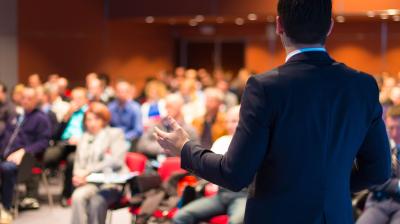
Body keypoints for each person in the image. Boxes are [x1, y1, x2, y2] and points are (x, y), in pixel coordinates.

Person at [154, 0, 392, 223]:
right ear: (329, 26)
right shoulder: (362, 85)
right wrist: (331, 184)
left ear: (279, 25)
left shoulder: (265, 88)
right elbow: (379, 172)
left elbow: (234, 174)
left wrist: (185, 148)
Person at [173, 106, 246, 224]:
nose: (229, 126)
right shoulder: (222, 141)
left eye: (234, 121)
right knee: (181, 216)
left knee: (235, 222)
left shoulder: (252, 145)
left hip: (242, 196)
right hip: (221, 195)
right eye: (227, 121)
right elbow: (207, 167)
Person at [0, 87, 52, 223]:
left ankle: (6, 207)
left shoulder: (41, 119)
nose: (26, 101)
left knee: (6, 168)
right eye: (23, 98)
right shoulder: (16, 116)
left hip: (26, 160)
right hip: (5, 155)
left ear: (36, 100)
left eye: (30, 98)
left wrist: (24, 151)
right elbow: (5, 137)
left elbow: (44, 142)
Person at [70, 102, 128, 224]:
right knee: (77, 196)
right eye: (89, 120)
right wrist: (78, 176)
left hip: (111, 183)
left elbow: (116, 161)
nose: (92, 123)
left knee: (96, 202)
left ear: (104, 120)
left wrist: (88, 171)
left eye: (96, 119)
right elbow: (78, 163)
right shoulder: (84, 137)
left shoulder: (115, 134)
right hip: (89, 182)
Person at [43, 87, 89, 205]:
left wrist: (81, 139)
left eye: (79, 98)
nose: (76, 101)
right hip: (64, 143)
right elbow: (56, 135)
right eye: (73, 98)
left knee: (72, 161)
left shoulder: (89, 113)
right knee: (49, 156)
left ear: (86, 99)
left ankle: (67, 194)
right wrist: (66, 117)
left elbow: (92, 133)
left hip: (81, 146)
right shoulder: (68, 112)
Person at [356, 106, 400, 224]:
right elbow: (372, 181)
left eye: (399, 128)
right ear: (386, 124)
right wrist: (398, 185)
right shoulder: (379, 146)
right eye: (391, 128)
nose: (395, 133)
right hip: (378, 202)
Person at [137, 93, 198, 159]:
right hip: (154, 163)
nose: (167, 109)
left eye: (170, 106)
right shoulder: (157, 124)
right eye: (166, 106)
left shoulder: (189, 129)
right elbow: (141, 145)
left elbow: (194, 153)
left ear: (180, 107)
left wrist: (165, 147)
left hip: (178, 166)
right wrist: (166, 148)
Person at [108, 81, 143, 150]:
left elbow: (138, 130)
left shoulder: (135, 108)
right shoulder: (110, 107)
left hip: (128, 139)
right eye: (119, 91)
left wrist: (123, 137)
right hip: (112, 138)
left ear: (128, 93)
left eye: (124, 91)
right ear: (115, 92)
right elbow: (107, 126)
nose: (121, 94)